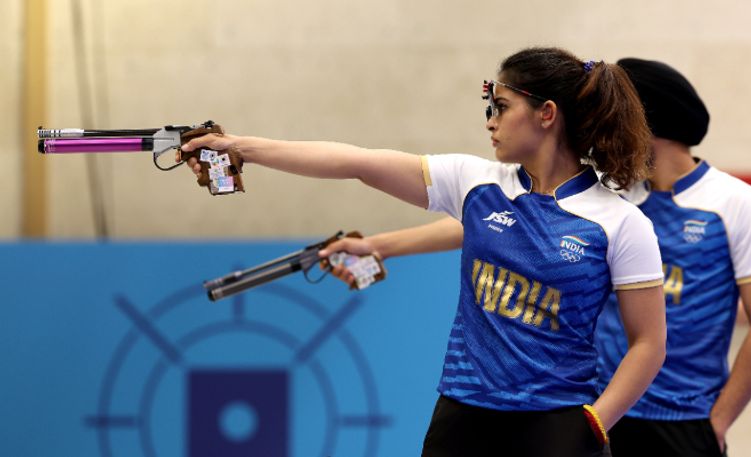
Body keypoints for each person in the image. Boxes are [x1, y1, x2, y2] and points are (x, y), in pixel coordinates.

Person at [181, 47, 667, 457]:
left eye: (500, 106)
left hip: (557, 424)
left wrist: (596, 423)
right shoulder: (475, 183)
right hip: (462, 413)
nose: (490, 122)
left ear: (546, 114)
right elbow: (356, 162)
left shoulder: (621, 224)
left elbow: (647, 343)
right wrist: (239, 146)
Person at [323, 58, 751, 457]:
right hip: (602, 407)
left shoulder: (737, 204)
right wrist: (382, 246)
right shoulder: (612, 193)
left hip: (685, 419)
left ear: (650, 122)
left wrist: (718, 424)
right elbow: (491, 227)